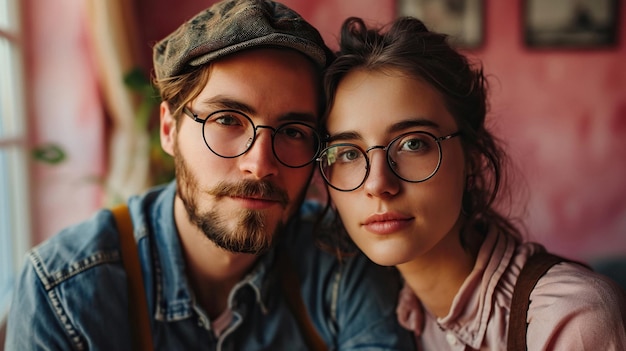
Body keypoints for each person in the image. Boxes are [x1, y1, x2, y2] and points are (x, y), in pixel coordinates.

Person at [4, 2, 415, 350]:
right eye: (227, 119)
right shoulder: (64, 290)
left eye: (293, 132)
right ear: (169, 130)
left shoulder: (341, 264)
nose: (260, 163)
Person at [316, 16, 626, 350]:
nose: (378, 183)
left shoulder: (568, 320)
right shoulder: (366, 314)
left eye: (413, 143)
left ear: (472, 159)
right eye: (347, 153)